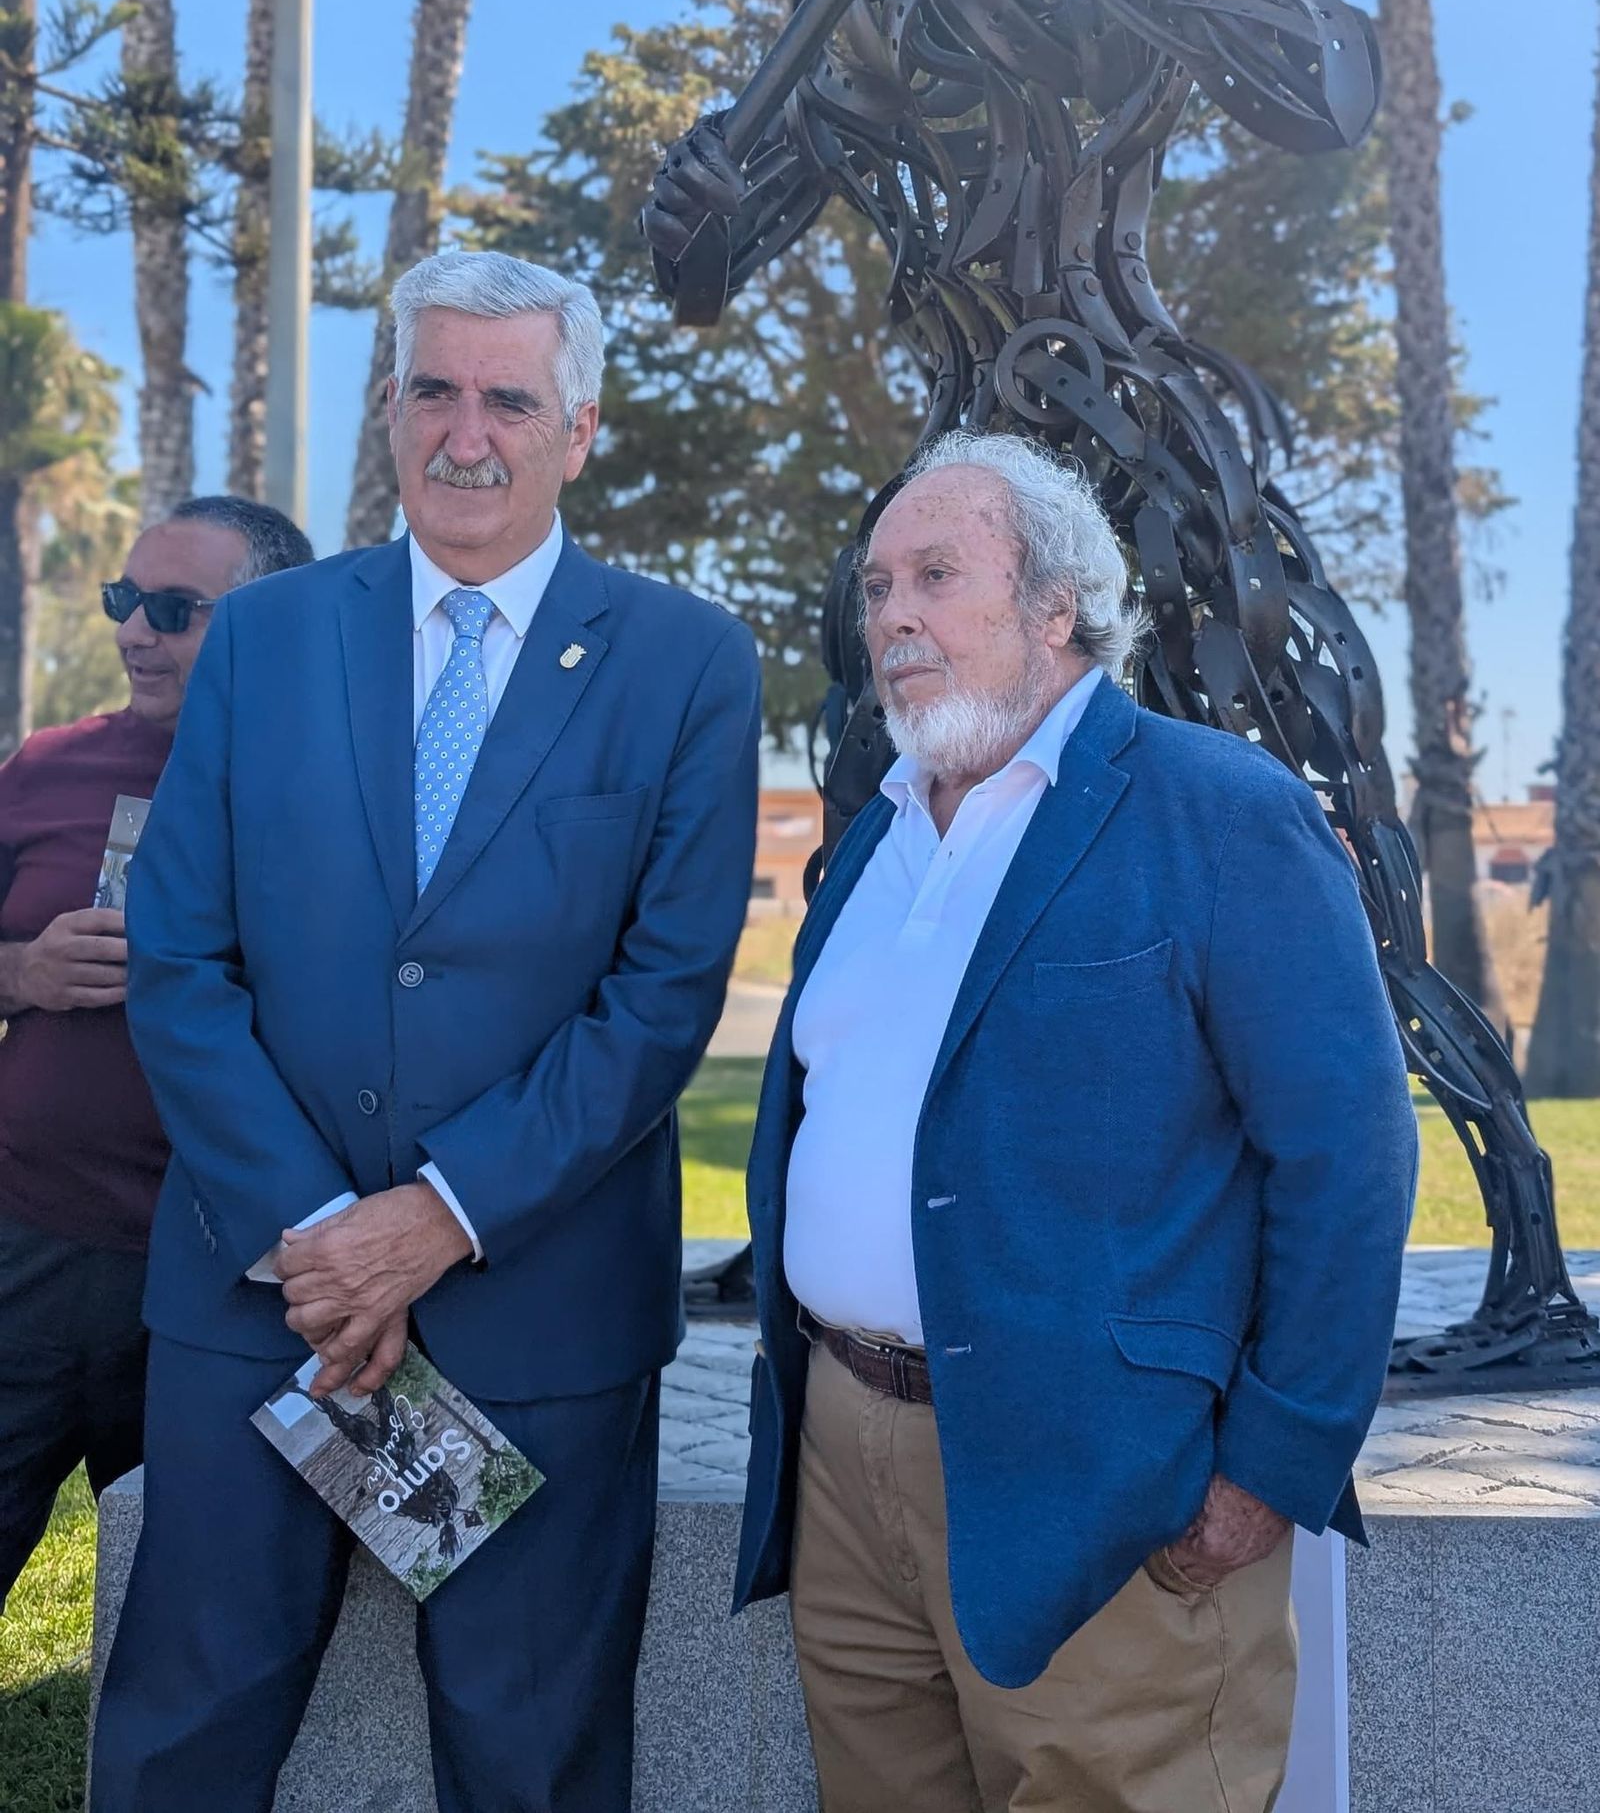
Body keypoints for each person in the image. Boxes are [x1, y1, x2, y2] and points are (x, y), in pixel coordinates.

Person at [93, 252, 762, 1813]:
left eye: (509, 398)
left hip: (537, 1316)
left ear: (579, 427)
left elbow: (660, 997)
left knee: (533, 1756)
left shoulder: (683, 662)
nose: (468, 433)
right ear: (391, 406)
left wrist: (435, 1218)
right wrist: (322, 1232)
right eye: (434, 389)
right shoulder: (263, 639)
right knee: (183, 1732)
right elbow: (180, 957)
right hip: (263, 1300)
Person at [736, 431, 1417, 1813]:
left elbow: (1348, 1159)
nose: (894, 616)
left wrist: (1271, 1467)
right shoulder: (874, 835)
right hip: (847, 1457)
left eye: (937, 574)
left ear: (1056, 603)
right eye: (876, 587)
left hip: (1109, 1482)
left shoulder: (1219, 809)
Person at [0, 496, 313, 1611]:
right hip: (27, 1247)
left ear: (271, 622)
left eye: (175, 610)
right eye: (125, 602)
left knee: (199, 1614)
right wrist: (19, 971)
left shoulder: (336, 791)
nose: (135, 632)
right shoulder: (45, 765)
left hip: (223, 1278)